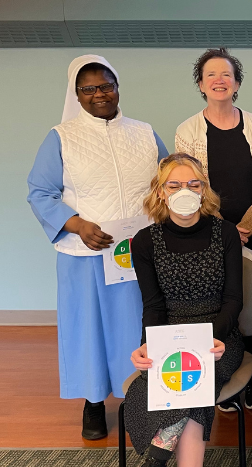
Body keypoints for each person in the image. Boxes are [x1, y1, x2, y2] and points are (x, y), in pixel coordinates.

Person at [109, 153, 243, 467]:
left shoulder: (226, 233)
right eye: (174, 185)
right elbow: (152, 305)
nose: (185, 192)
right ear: (160, 192)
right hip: (170, 339)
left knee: (192, 384)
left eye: (194, 185)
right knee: (185, 392)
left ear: (204, 191)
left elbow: (233, 301)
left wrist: (213, 339)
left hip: (217, 338)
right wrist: (149, 345)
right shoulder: (146, 242)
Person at [26, 55, 168, 440]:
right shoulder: (61, 137)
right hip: (85, 254)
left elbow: (167, 181)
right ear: (76, 95)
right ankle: (92, 403)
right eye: (88, 89)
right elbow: (41, 192)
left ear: (117, 86)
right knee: (88, 330)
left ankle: (136, 397)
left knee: (136, 324)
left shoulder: (144, 132)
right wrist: (76, 224)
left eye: (106, 85)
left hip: (138, 253)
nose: (99, 94)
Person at [175, 47, 252, 411]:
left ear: (236, 83)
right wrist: (224, 230)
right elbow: (188, 185)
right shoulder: (188, 130)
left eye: (226, 74)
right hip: (209, 236)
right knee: (218, 303)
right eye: (211, 75)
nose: (219, 80)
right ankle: (224, 373)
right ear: (201, 84)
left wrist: (246, 225)